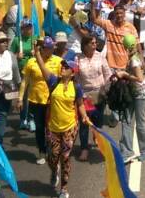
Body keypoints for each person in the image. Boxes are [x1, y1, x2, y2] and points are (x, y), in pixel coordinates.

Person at [38, 50, 87, 198]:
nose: (62, 68)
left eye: (66, 67)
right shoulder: (53, 81)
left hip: (69, 127)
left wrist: (84, 116)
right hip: (52, 127)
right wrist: (37, 53)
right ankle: (54, 170)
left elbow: (80, 104)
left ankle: (64, 188)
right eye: (62, 66)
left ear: (72, 72)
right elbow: (42, 67)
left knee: (65, 156)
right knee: (52, 156)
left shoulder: (76, 87)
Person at [21, 36, 61, 164]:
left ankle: (52, 149)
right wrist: (20, 98)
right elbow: (25, 81)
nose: (50, 50)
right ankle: (42, 151)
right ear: (41, 49)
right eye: (47, 48)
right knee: (39, 127)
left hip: (52, 101)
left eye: (51, 47)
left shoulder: (59, 61)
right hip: (36, 100)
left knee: (51, 127)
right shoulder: (32, 62)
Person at [115, 33, 145, 164]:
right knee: (126, 120)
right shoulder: (136, 57)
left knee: (139, 123)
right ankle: (127, 151)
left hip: (139, 94)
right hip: (137, 93)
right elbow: (144, 69)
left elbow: (139, 78)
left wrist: (125, 74)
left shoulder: (134, 60)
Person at [75, 36, 111, 161]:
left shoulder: (100, 57)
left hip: (99, 94)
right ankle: (84, 148)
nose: (95, 45)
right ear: (85, 45)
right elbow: (76, 77)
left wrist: (106, 89)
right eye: (92, 43)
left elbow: (108, 75)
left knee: (98, 120)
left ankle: (98, 139)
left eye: (95, 43)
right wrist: (79, 94)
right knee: (84, 122)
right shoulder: (78, 58)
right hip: (85, 96)